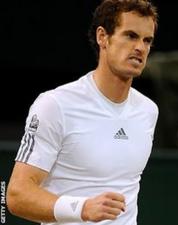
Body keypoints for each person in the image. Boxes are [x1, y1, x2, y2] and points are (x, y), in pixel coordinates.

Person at [6, 0, 158, 225]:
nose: (140, 47)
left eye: (147, 40)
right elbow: (17, 195)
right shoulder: (55, 105)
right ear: (102, 37)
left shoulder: (148, 111)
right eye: (130, 36)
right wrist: (81, 208)